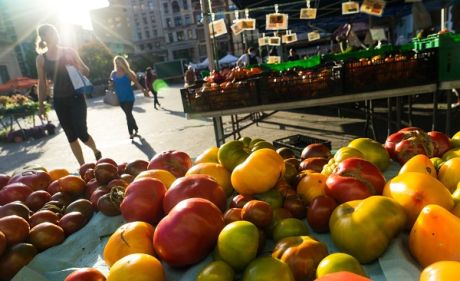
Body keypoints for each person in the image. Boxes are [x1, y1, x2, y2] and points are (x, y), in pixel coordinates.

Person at [35, 24, 101, 166]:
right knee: (71, 136)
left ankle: (95, 151)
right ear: (43, 37)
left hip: (76, 97)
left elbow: (86, 71)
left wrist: (76, 64)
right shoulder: (41, 59)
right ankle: (83, 166)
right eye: (50, 32)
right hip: (59, 101)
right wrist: (40, 105)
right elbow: (42, 84)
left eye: (55, 31)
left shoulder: (68, 51)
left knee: (82, 133)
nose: (54, 34)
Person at [110, 56, 150, 139]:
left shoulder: (128, 73)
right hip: (120, 98)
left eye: (119, 62)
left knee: (128, 114)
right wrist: (111, 84)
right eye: (116, 62)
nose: (118, 63)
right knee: (129, 114)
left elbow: (136, 83)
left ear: (123, 62)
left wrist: (144, 91)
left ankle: (131, 133)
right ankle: (135, 127)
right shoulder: (113, 73)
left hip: (129, 97)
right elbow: (111, 85)